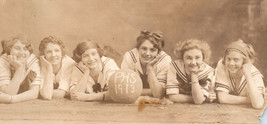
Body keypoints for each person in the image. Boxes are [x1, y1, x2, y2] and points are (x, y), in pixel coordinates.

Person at [121, 30, 171, 98]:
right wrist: (150, 91)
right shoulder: (129, 56)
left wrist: (150, 68)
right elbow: (124, 90)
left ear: (158, 52)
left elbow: (158, 94)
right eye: (144, 49)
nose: (147, 54)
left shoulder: (165, 60)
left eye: (152, 50)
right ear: (138, 49)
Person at [215, 40, 265, 108]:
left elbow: (258, 104)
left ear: (245, 61)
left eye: (236, 60)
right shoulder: (222, 65)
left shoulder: (254, 74)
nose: (231, 63)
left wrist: (247, 75)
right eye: (229, 59)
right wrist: (250, 100)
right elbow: (222, 98)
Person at [166, 39, 215, 104]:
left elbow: (198, 101)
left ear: (203, 58)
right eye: (189, 58)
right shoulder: (174, 66)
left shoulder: (208, 72)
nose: (193, 62)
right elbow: (173, 96)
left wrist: (194, 74)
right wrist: (201, 98)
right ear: (182, 59)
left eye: (197, 57)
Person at [0, 36, 41, 103]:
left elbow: (34, 92)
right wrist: (19, 68)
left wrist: (12, 99)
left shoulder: (32, 60)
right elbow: (9, 92)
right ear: (9, 50)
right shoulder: (3, 61)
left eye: (25, 49)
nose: (22, 53)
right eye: (17, 48)